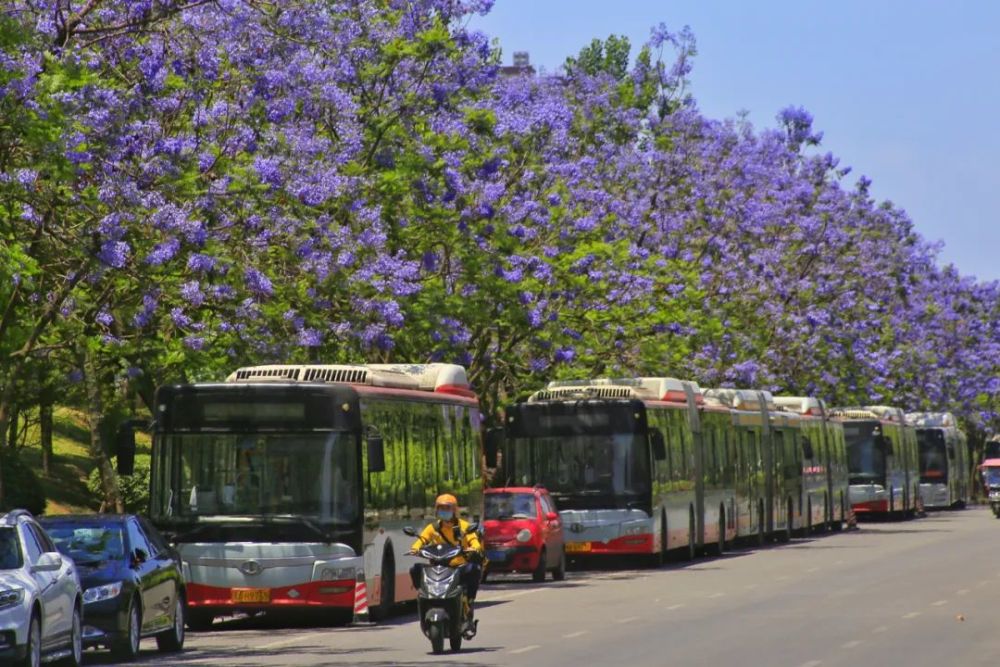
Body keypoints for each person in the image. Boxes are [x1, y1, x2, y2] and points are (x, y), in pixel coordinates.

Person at [409, 493, 484, 636]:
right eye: (441, 508)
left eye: (448, 508)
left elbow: (473, 540)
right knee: (415, 569)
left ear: (454, 510)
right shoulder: (433, 528)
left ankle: (469, 602)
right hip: (438, 567)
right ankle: (423, 595)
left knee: (474, 569)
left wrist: (474, 547)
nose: (444, 511)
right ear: (437, 510)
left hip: (458, 567)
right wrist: (415, 548)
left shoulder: (464, 527)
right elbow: (422, 540)